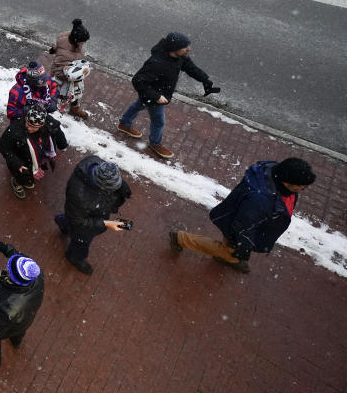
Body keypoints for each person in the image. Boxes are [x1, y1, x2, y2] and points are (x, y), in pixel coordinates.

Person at [170, 158, 314, 274]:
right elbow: (244, 225)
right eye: (301, 186)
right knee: (229, 251)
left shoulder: (272, 170)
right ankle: (181, 238)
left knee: (230, 248)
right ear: (286, 182)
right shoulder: (262, 200)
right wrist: (244, 246)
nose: (303, 189)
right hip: (241, 226)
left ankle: (229, 257)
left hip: (238, 215)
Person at [117, 31, 219, 159]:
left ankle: (124, 124)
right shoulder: (156, 63)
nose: (189, 48)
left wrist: (205, 79)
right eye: (185, 46)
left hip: (155, 93)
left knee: (138, 105)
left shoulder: (179, 57)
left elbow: (191, 68)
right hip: (154, 97)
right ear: (174, 49)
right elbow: (138, 80)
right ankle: (155, 143)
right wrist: (157, 97)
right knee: (159, 121)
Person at [54, 155, 131, 275]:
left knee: (72, 219)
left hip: (85, 213)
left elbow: (108, 176)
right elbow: (80, 222)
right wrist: (106, 223)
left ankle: (63, 222)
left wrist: (121, 186)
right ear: (101, 186)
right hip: (83, 222)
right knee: (82, 241)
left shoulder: (97, 166)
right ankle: (75, 257)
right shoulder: (79, 195)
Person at [0, 240, 44, 367]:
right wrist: (6, 249)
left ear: (15, 279)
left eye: (9, 270)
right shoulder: (36, 275)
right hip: (24, 320)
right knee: (19, 330)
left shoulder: (9, 307)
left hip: (12, 319)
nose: (6, 269)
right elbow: (21, 260)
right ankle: (16, 342)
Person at [0, 101, 68, 197]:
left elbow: (57, 132)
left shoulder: (49, 123)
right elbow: (4, 146)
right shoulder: (15, 130)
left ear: (42, 125)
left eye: (34, 127)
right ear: (26, 119)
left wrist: (63, 145)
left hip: (40, 151)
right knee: (26, 179)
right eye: (28, 125)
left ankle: (35, 167)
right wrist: (16, 163)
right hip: (22, 159)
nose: (29, 129)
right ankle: (17, 181)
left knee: (33, 169)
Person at [48, 18, 90, 118]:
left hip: (70, 68)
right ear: (75, 40)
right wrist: (74, 76)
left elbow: (58, 45)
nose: (83, 44)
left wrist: (53, 50)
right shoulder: (65, 55)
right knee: (68, 92)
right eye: (82, 42)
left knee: (75, 90)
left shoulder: (68, 36)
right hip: (62, 75)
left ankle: (73, 108)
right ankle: (56, 109)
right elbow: (58, 71)